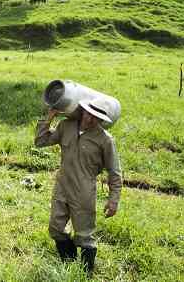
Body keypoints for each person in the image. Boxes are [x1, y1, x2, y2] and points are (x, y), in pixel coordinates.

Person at [35, 100, 122, 275]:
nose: (90, 119)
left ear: (101, 120)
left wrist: (113, 200)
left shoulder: (105, 140)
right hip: (62, 185)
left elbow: (114, 172)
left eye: (96, 117)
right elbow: (40, 141)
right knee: (56, 228)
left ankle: (85, 274)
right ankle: (68, 265)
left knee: (84, 236)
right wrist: (49, 118)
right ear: (82, 111)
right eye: (88, 114)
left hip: (84, 190)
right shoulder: (66, 126)